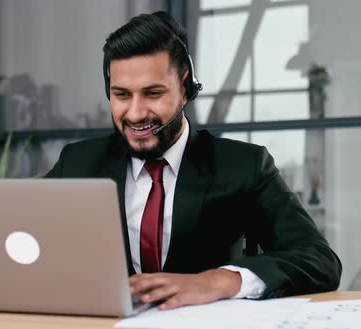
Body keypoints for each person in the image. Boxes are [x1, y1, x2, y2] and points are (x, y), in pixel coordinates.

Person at [46, 11, 341, 310]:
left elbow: (319, 260)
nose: (135, 113)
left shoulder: (244, 165)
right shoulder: (77, 163)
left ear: (185, 89)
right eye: (122, 95)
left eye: (153, 93)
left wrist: (218, 281)